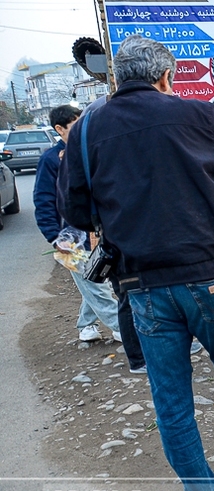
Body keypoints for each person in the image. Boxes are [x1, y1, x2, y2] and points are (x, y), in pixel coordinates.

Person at [60, 35, 214, 491]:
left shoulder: (87, 128)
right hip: (210, 277)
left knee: (170, 397)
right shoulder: (197, 114)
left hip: (143, 285)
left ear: (118, 77)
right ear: (165, 77)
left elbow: (75, 209)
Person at [33, 104, 122, 345]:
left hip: (99, 233)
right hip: (70, 237)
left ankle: (86, 324)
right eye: (75, 125)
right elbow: (43, 200)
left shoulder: (89, 151)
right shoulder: (51, 160)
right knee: (95, 284)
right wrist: (54, 236)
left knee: (94, 278)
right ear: (59, 129)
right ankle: (122, 328)